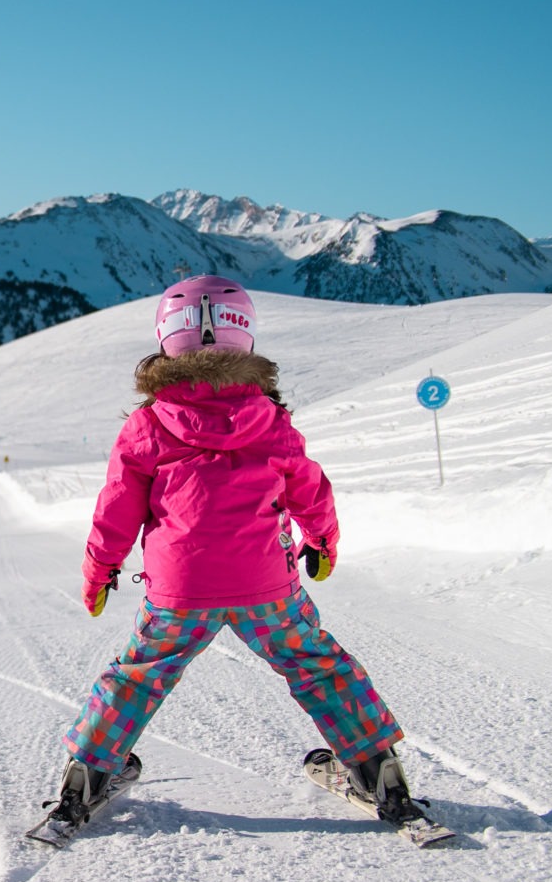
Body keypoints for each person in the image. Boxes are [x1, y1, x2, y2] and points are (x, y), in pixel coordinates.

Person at [41, 276, 415, 832]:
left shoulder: (147, 425)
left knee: (139, 674)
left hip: (179, 591)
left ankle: (88, 773)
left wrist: (100, 571)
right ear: (245, 337)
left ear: (166, 339)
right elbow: (310, 488)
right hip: (266, 586)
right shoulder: (270, 419)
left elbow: (116, 508)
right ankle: (374, 766)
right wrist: (322, 541)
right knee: (315, 663)